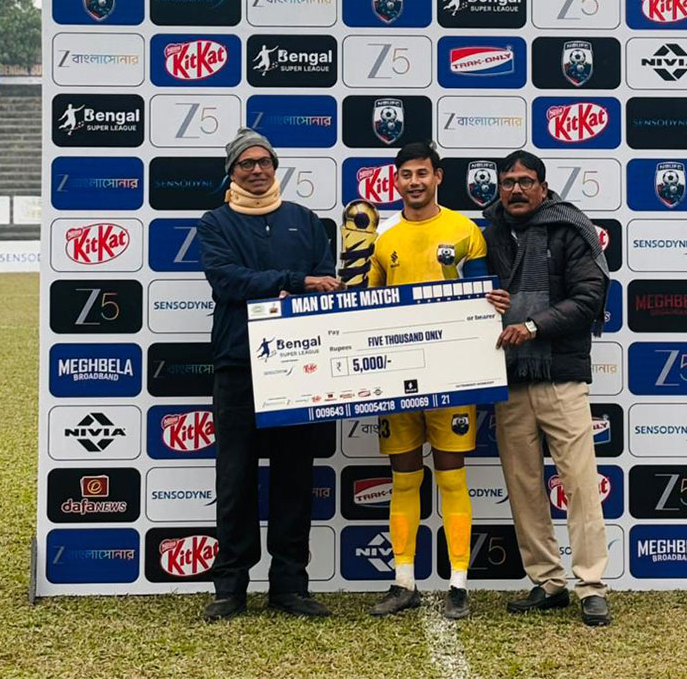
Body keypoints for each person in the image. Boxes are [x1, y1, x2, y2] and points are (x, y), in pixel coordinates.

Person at [197, 128, 343, 621]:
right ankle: (230, 587)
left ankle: (290, 586)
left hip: (300, 367)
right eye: (246, 163)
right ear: (232, 172)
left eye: (264, 161)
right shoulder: (215, 222)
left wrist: (299, 286)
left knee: (294, 479)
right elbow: (226, 280)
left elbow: (326, 279)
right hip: (238, 365)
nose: (257, 170)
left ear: (275, 167)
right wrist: (291, 282)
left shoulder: (305, 220)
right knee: (235, 479)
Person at [482, 149, 613, 627]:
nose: (516, 189)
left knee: (579, 484)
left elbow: (589, 297)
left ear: (542, 186)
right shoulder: (487, 233)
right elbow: (469, 295)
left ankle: (591, 585)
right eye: (508, 182)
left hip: (561, 375)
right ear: (499, 187)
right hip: (509, 377)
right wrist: (484, 300)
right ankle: (548, 581)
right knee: (523, 487)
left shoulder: (570, 227)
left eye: (525, 181)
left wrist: (533, 325)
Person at [365, 142, 488, 620]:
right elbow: (366, 310)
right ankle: (403, 580)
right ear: (395, 180)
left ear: (438, 177)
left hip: (452, 373)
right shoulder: (384, 238)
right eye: (405, 174)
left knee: (452, 476)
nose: (413, 182)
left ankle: (459, 583)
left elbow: (485, 296)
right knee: (404, 478)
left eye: (422, 173)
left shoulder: (465, 231)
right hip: (397, 377)